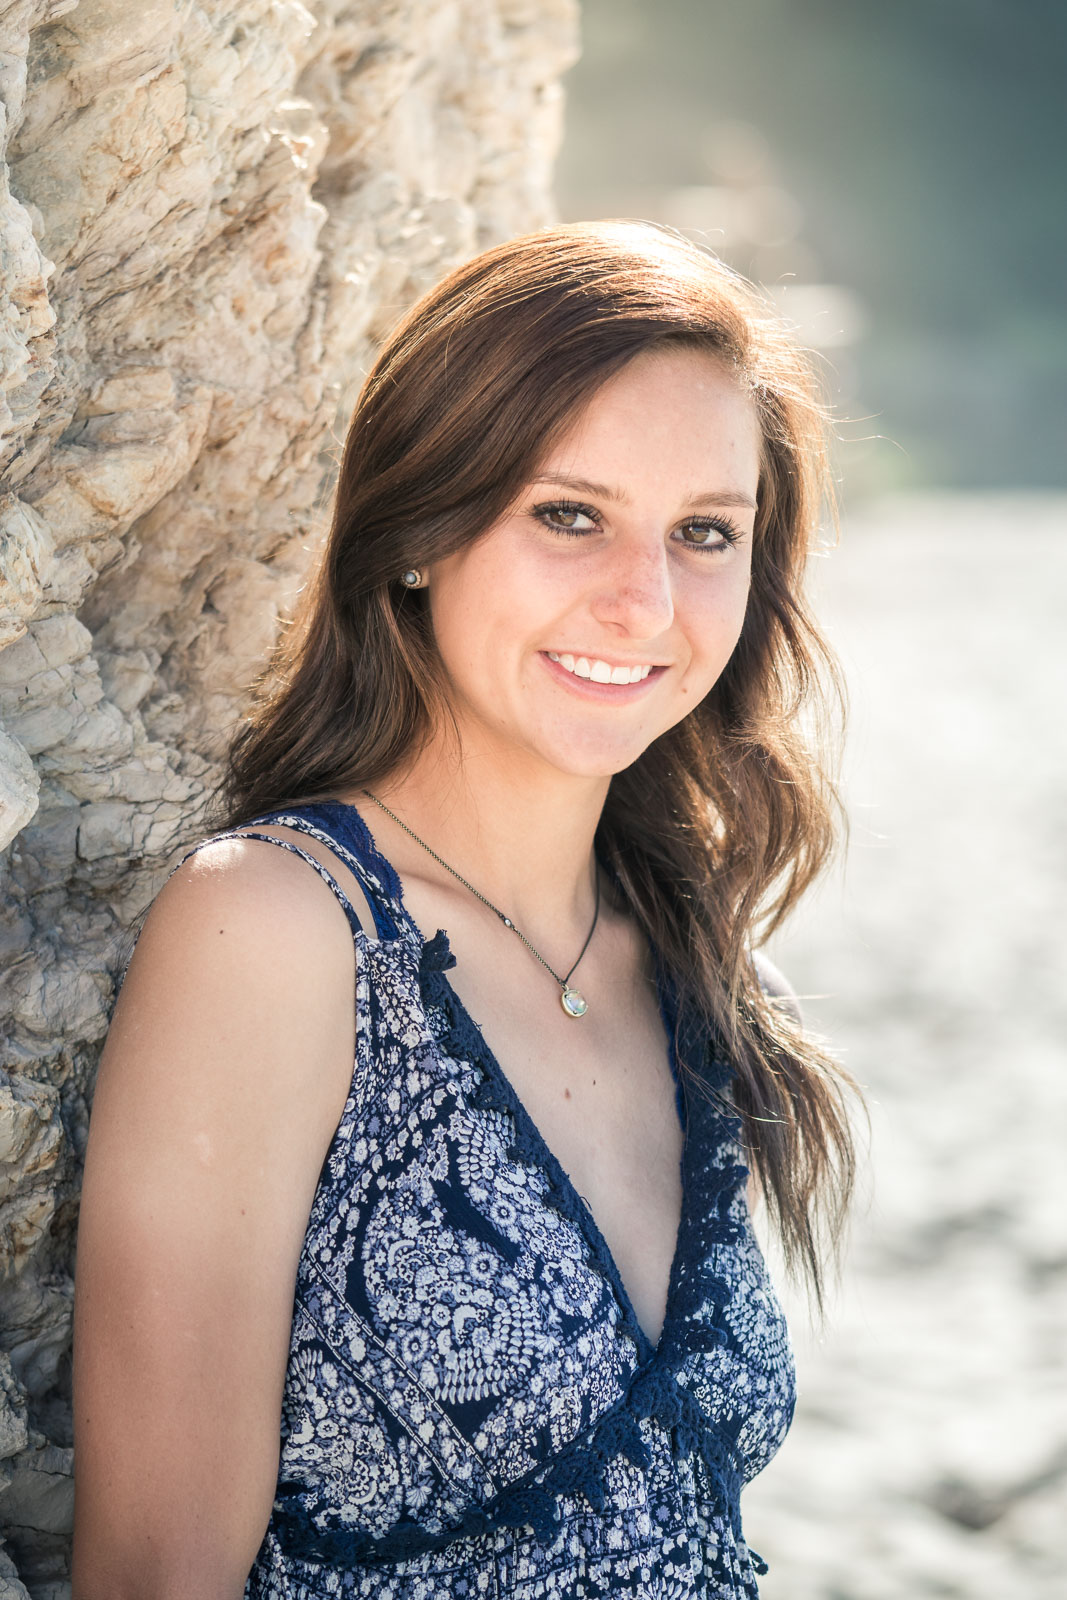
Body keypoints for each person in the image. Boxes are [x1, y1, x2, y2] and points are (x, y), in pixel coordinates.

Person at [70, 219, 859, 1599]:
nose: (645, 599)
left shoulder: (703, 973)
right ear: (424, 531)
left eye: (705, 533)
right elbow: (154, 1567)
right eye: (571, 515)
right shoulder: (279, 934)